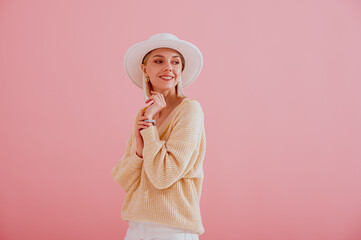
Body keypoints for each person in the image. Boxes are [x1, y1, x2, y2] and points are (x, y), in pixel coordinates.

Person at [111, 33, 206, 240]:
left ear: (181, 70)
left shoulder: (190, 110)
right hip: (136, 228)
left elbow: (163, 175)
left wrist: (151, 129)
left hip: (173, 230)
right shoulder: (145, 114)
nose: (168, 67)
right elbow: (124, 179)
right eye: (159, 60)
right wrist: (139, 149)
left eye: (175, 62)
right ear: (145, 70)